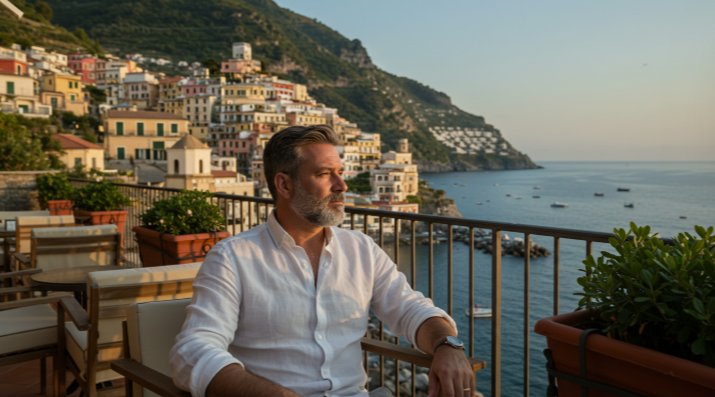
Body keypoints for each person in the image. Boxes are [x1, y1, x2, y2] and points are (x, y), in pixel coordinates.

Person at [169, 125, 475, 397]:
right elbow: (193, 352)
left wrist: (448, 344)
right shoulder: (233, 257)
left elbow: (411, 308)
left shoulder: (360, 249)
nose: (342, 185)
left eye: (340, 172)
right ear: (284, 185)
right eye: (324, 174)